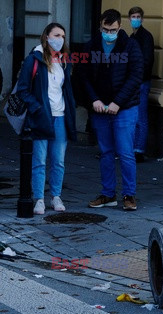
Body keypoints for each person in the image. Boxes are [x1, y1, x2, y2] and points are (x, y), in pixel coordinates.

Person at [80, 9, 143, 211]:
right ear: (100, 26)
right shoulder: (91, 46)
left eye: (113, 29)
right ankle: (108, 194)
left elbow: (136, 76)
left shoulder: (131, 45)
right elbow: (83, 76)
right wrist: (94, 99)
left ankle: (129, 195)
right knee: (106, 152)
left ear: (120, 27)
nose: (109, 33)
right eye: (106, 29)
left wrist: (118, 102)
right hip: (100, 107)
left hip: (124, 108)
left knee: (125, 153)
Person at [16, 22, 77, 214]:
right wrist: (37, 108)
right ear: (47, 37)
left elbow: (65, 88)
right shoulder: (33, 59)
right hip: (41, 117)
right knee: (39, 160)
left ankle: (56, 196)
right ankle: (39, 199)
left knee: (58, 160)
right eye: (57, 35)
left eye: (63, 36)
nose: (60, 40)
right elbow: (23, 89)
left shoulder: (64, 60)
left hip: (60, 116)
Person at [128, 6, 155, 163]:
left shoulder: (146, 37)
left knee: (141, 116)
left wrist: (137, 78)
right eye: (133, 17)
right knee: (133, 116)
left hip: (141, 82)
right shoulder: (132, 37)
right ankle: (133, 148)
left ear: (142, 19)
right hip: (133, 81)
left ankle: (139, 150)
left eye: (138, 16)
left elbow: (147, 61)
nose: (135, 19)